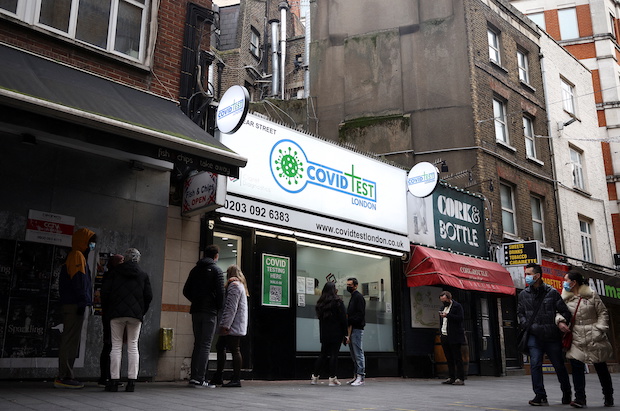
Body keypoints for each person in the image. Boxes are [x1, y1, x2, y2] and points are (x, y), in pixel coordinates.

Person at [517, 262, 572, 406]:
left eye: (528, 274)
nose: (526, 277)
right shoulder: (523, 294)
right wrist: (525, 324)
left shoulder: (552, 293)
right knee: (535, 364)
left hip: (551, 336)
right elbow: (520, 313)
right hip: (534, 335)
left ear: (537, 276)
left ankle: (566, 392)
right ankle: (540, 395)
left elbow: (565, 312)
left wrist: (560, 322)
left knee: (559, 365)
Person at [101, 248, 152, 392]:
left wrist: (108, 311)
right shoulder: (143, 275)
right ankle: (131, 382)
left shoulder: (114, 273)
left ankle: (114, 380)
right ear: (138, 259)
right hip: (135, 316)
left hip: (116, 315)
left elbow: (105, 293)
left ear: (126, 258)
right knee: (133, 346)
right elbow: (148, 296)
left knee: (116, 346)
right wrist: (141, 311)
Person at [561, 271, 614, 408]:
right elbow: (559, 312)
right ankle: (580, 398)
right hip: (576, 335)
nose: (564, 282)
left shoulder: (591, 295)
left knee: (600, 366)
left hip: (594, 335)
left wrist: (600, 328)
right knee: (576, 366)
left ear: (574, 282)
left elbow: (602, 312)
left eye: (566, 280)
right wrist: (560, 322)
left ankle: (608, 396)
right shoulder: (565, 297)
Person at [55, 227, 96, 389]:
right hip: (74, 305)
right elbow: (79, 282)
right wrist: (82, 302)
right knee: (70, 340)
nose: (92, 245)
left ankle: (67, 374)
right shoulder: (77, 256)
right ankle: (64, 376)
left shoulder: (78, 256)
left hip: (74, 303)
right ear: (83, 242)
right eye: (91, 242)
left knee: (71, 340)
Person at [183, 244, 225, 388]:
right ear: (216, 256)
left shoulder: (195, 270)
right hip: (210, 312)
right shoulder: (217, 271)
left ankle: (194, 377)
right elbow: (221, 294)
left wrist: (196, 300)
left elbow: (186, 290)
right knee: (206, 345)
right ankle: (201, 378)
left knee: (198, 343)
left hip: (196, 310)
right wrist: (218, 307)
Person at [210, 265, 249, 388]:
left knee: (234, 349)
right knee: (222, 346)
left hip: (232, 325)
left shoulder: (234, 286)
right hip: (233, 324)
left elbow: (231, 307)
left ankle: (235, 378)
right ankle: (219, 376)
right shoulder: (239, 285)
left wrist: (225, 325)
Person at [311, 282, 347, 387]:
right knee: (334, 355)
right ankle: (332, 378)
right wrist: (346, 334)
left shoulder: (320, 303)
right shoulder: (338, 302)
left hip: (325, 332)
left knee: (323, 354)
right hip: (336, 332)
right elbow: (343, 319)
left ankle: (314, 377)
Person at [98, 254, 124, 387]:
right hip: (112, 315)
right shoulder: (113, 276)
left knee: (111, 345)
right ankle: (106, 376)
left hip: (110, 314)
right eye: (121, 261)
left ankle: (109, 376)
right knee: (110, 345)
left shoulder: (110, 275)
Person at [438, 291, 466, 386]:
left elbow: (460, 318)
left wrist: (447, 315)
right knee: (449, 358)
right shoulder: (443, 308)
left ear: (449, 298)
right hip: (444, 335)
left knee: (457, 357)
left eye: (445, 301)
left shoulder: (457, 306)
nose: (443, 303)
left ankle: (460, 378)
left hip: (454, 336)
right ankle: (451, 377)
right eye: (442, 301)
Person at [345, 277, 366, 386]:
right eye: (347, 285)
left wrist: (349, 319)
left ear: (356, 285)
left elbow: (360, 314)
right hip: (352, 328)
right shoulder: (353, 297)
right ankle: (356, 376)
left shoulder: (358, 297)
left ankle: (360, 376)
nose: (348, 287)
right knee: (354, 354)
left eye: (350, 285)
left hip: (356, 328)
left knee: (358, 353)